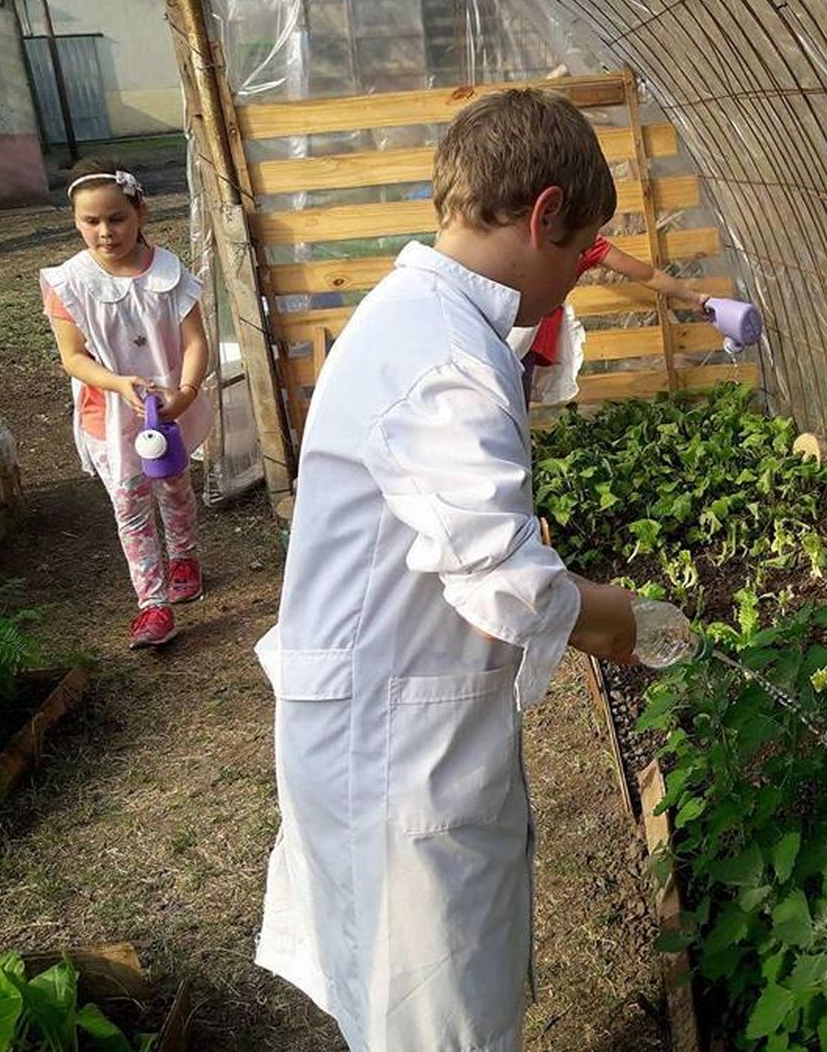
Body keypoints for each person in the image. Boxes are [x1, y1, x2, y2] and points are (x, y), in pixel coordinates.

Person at [253, 89, 639, 1050]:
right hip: (392, 751)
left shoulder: (427, 320)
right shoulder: (441, 357)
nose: (579, 278)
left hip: (388, 715)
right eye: (582, 251)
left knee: (426, 1000)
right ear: (545, 215)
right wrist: (633, 622)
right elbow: (510, 578)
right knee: (434, 1014)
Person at [43, 159, 211, 648]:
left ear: (139, 210)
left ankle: (184, 555)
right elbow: (73, 357)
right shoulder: (69, 284)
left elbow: (195, 339)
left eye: (116, 218)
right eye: (90, 222)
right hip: (110, 412)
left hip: (168, 403)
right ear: (76, 222)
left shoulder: (168, 272)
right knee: (130, 502)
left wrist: (186, 392)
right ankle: (152, 604)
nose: (105, 232)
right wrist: (117, 384)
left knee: (174, 487)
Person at [509, 234, 712, 404]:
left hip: (528, 337)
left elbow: (648, 275)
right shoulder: (526, 227)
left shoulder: (586, 241)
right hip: (506, 325)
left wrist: (694, 298)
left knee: (512, 401)